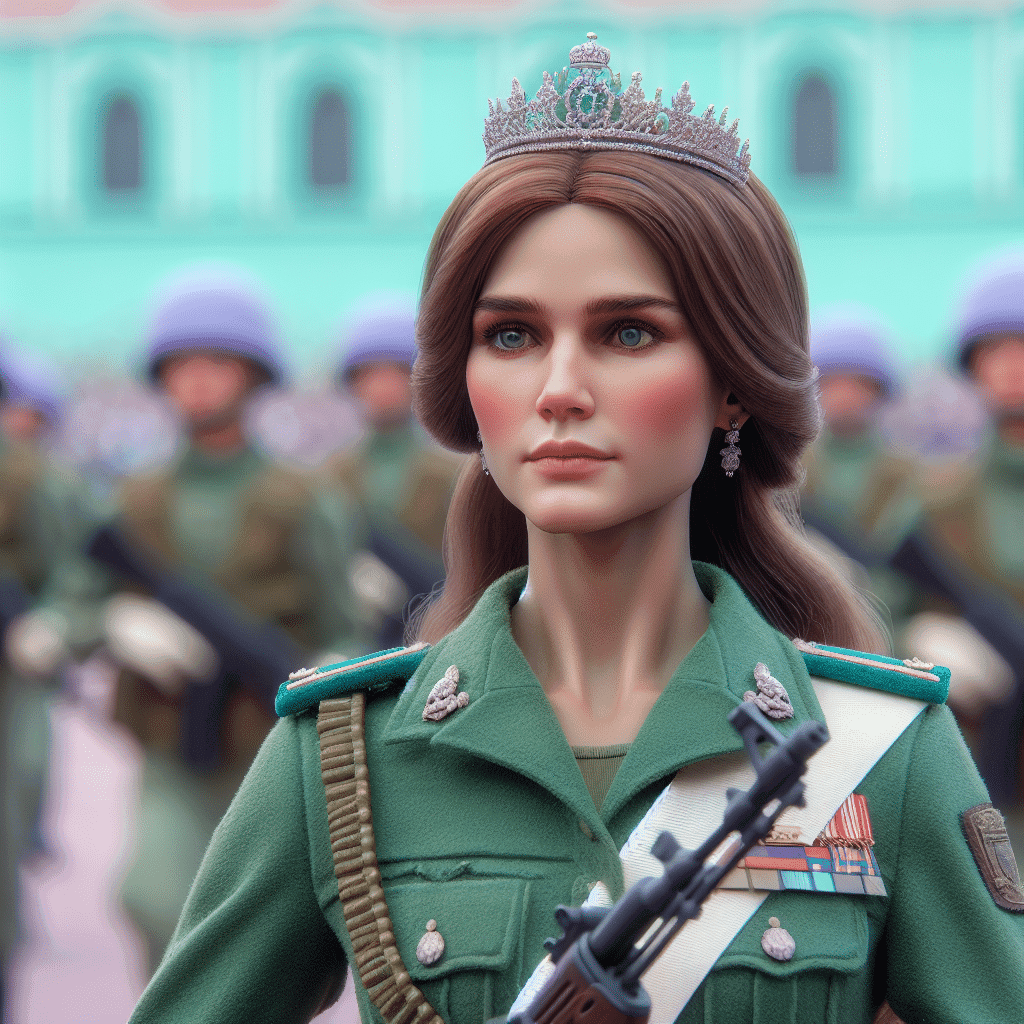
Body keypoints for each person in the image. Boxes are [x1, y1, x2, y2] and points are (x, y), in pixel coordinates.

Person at [128, 39, 1024, 1024]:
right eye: (510, 335)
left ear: (731, 385)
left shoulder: (875, 752)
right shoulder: (346, 759)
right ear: (467, 388)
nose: (559, 389)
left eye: (627, 332)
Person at [103, 267, 367, 974]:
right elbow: (79, 589)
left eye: (217, 362)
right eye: (181, 364)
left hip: (267, 741)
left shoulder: (300, 497)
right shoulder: (136, 495)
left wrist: (326, 675)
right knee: (153, 896)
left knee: (260, 931)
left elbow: (344, 623)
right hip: (169, 740)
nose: (197, 381)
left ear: (254, 375)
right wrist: (111, 621)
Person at [327, 296, 461, 647]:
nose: (383, 387)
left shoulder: (452, 474)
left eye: (396, 373)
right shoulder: (330, 477)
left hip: (435, 635)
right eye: (370, 374)